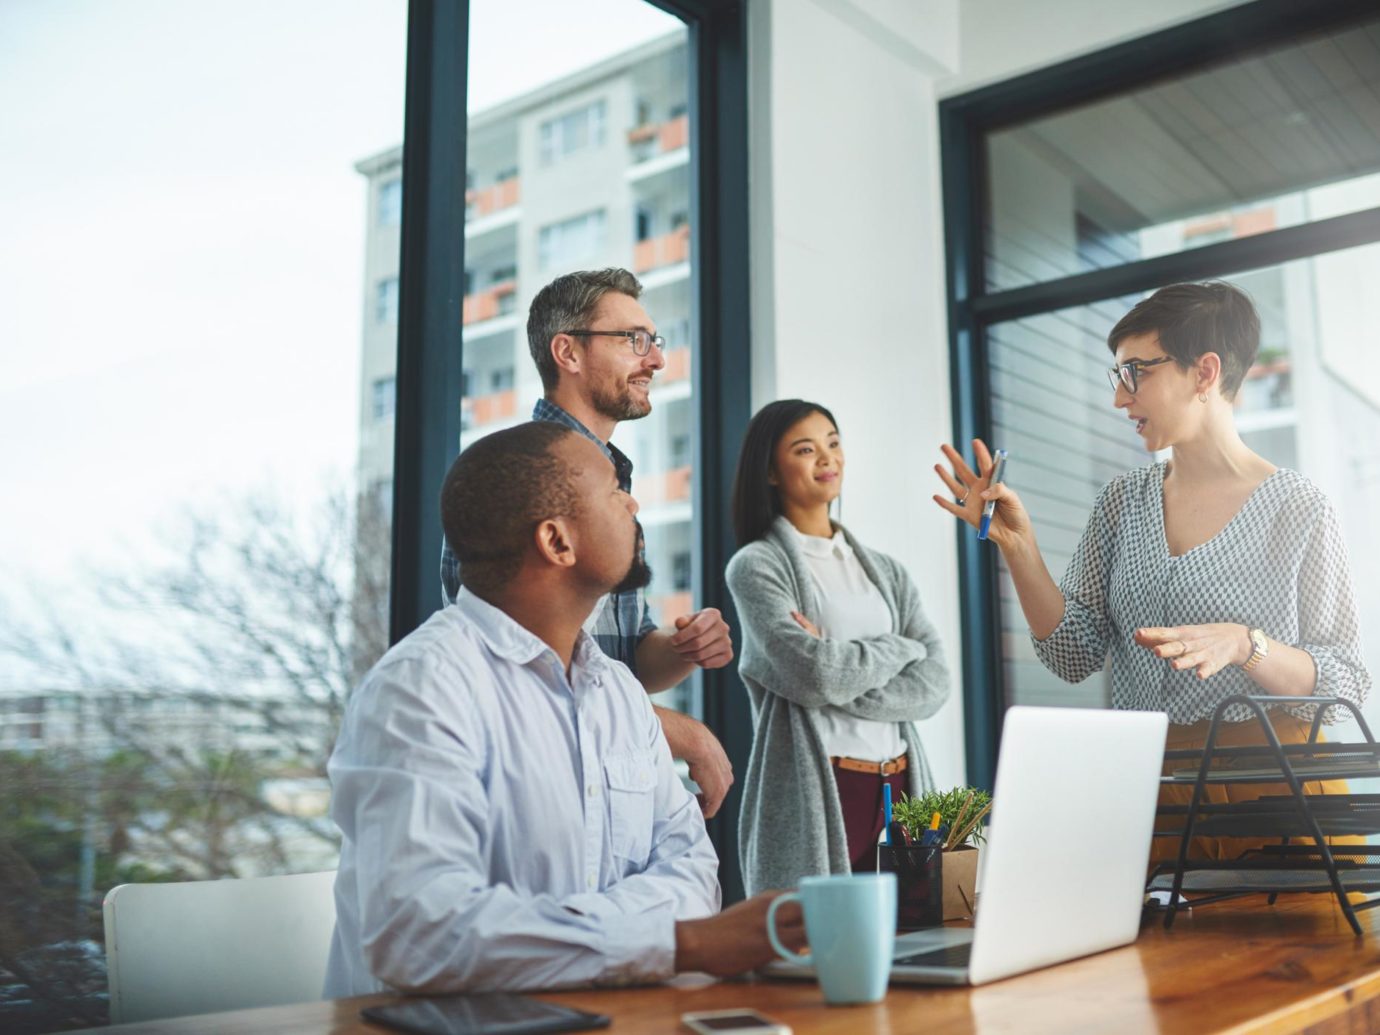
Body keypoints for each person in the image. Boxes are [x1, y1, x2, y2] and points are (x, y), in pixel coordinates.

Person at [325, 422, 804, 996]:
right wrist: (681, 945)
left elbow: (694, 873)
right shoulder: (421, 689)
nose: (633, 502)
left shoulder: (619, 691)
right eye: (612, 491)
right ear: (557, 542)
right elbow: (421, 934)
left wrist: (559, 935)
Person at [933, 280, 1370, 860]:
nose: (1120, 398)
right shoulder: (1121, 502)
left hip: (1276, 794)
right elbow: (1072, 654)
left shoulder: (1299, 506)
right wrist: (1019, 548)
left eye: (1136, 372)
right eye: (1117, 376)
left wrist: (1247, 645)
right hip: (1150, 794)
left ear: (1204, 372)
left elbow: (1346, 678)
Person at [440, 268, 735, 818]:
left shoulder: (615, 484)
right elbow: (521, 676)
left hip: (611, 780)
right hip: (542, 792)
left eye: (655, 341)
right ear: (568, 353)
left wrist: (681, 649)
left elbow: (628, 658)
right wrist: (680, 732)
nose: (656, 360)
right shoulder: (512, 477)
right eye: (633, 340)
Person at [725, 400, 951, 895]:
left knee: (917, 949)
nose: (827, 458)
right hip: (824, 785)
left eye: (833, 442)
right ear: (770, 471)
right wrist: (899, 648)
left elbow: (935, 685)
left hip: (901, 783)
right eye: (806, 449)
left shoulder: (887, 571)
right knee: (819, 952)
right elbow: (816, 677)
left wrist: (838, 660)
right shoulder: (757, 566)